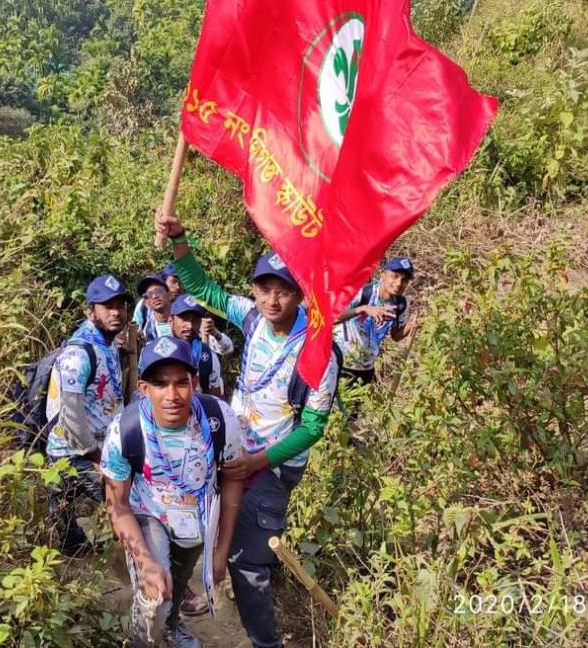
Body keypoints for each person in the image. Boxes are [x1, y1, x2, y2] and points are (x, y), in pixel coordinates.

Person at [155, 208, 339, 648]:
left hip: (272, 467)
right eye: (264, 289)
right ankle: (200, 595)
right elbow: (202, 289)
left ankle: (264, 641)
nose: (272, 300)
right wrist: (181, 238)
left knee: (250, 561)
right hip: (232, 451)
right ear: (254, 290)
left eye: (284, 292)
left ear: (300, 295)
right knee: (199, 525)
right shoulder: (252, 318)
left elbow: (312, 427)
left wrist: (259, 461)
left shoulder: (317, 351)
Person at [102, 336, 245, 648]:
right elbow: (117, 505)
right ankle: (143, 641)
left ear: (194, 382)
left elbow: (234, 478)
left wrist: (220, 551)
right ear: (144, 388)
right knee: (155, 593)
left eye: (181, 383)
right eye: (160, 384)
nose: (172, 395)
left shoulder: (219, 419)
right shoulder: (125, 429)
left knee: (178, 582)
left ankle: (171, 624)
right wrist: (146, 563)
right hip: (148, 512)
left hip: (199, 516)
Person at [45, 274, 132, 556]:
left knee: (66, 526)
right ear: (91, 311)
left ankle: (80, 568)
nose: (115, 312)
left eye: (120, 305)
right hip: (75, 454)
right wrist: (97, 457)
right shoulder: (78, 354)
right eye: (106, 306)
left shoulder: (106, 345)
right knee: (128, 510)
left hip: (91, 450)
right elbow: (69, 416)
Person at [332, 257, 417, 387]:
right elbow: (333, 318)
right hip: (341, 363)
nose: (399, 283)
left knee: (357, 407)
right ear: (383, 275)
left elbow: (396, 336)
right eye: (394, 276)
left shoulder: (401, 304)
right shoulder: (363, 293)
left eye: (404, 280)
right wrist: (363, 309)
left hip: (366, 369)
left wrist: (410, 326)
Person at [170, 294, 224, 397]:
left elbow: (214, 400)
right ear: (171, 320)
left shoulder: (207, 357)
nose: (190, 326)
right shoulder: (158, 352)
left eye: (195, 320)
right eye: (184, 319)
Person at [134, 273, 174, 341]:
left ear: (169, 295)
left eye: (159, 291)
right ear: (146, 302)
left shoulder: (180, 323)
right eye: (149, 294)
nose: (155, 296)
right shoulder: (145, 330)